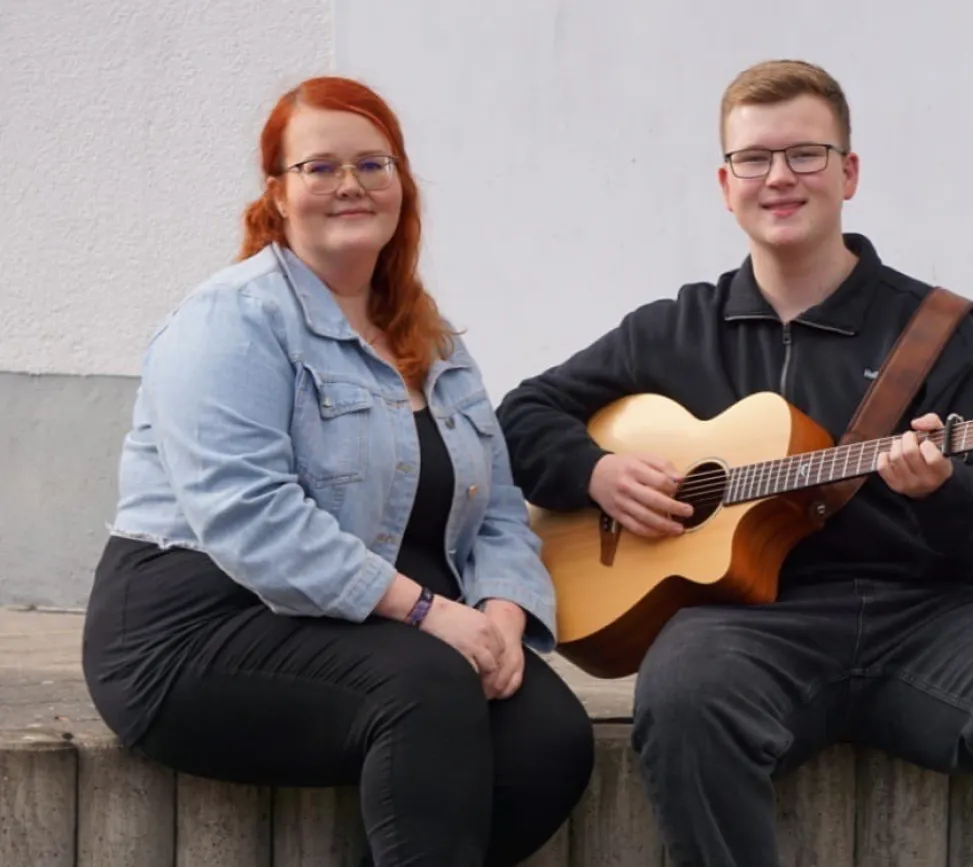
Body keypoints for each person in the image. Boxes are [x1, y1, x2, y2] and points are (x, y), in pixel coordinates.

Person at [496, 59, 973, 867]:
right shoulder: (677, 328)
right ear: (726, 184)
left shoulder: (934, 331)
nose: (778, 177)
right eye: (754, 159)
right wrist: (594, 471)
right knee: (682, 691)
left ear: (847, 171)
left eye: (806, 154)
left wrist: (943, 492)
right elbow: (520, 416)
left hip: (926, 616)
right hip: (750, 624)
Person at [81, 75, 593, 867]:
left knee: (552, 738)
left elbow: (496, 507)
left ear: (401, 185)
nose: (349, 184)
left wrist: (502, 619)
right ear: (278, 196)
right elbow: (251, 518)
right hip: (192, 628)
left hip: (351, 620)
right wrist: (434, 614)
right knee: (427, 690)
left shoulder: (433, 339)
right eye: (319, 167)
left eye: (372, 164)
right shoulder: (234, 317)